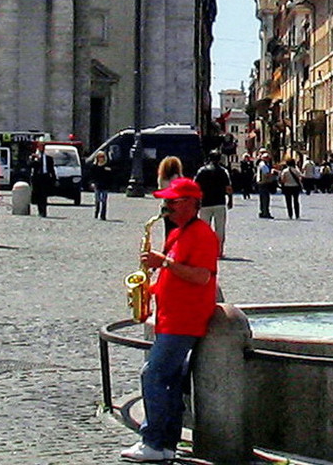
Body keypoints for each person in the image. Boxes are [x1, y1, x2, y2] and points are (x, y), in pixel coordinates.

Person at [123, 177, 220, 463]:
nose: (165, 207)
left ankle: (152, 441)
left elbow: (201, 276)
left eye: (172, 202)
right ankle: (166, 444)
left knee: (152, 375)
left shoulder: (201, 234)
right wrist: (150, 288)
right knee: (171, 382)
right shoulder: (180, 232)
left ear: (191, 204)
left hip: (183, 319)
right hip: (171, 316)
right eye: (165, 201)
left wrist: (163, 263)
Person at [194, 155, 231, 254]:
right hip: (219, 202)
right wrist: (230, 200)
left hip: (205, 203)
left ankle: (204, 249)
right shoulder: (223, 171)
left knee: (204, 228)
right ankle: (219, 250)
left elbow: (195, 186)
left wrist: (195, 200)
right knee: (220, 228)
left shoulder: (202, 171)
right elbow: (228, 188)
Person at [87, 151, 113, 222]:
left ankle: (103, 215)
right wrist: (92, 183)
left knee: (104, 201)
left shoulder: (107, 166)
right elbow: (91, 176)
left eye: (102, 157)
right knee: (97, 200)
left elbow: (110, 176)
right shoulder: (94, 166)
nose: (101, 158)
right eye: (99, 157)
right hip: (97, 185)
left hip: (105, 186)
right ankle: (96, 212)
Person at [32, 147, 55, 218]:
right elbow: (30, 165)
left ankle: (44, 211)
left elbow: (51, 170)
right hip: (37, 178)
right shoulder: (35, 158)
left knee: (44, 195)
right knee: (38, 195)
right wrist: (34, 159)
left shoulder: (48, 158)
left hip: (45, 178)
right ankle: (40, 211)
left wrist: (54, 178)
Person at [255, 154, 276, 219]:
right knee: (265, 199)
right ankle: (265, 212)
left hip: (261, 183)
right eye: (267, 158)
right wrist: (273, 174)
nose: (268, 159)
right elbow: (266, 174)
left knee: (262, 198)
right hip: (264, 183)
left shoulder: (261, 164)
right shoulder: (263, 165)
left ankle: (262, 212)